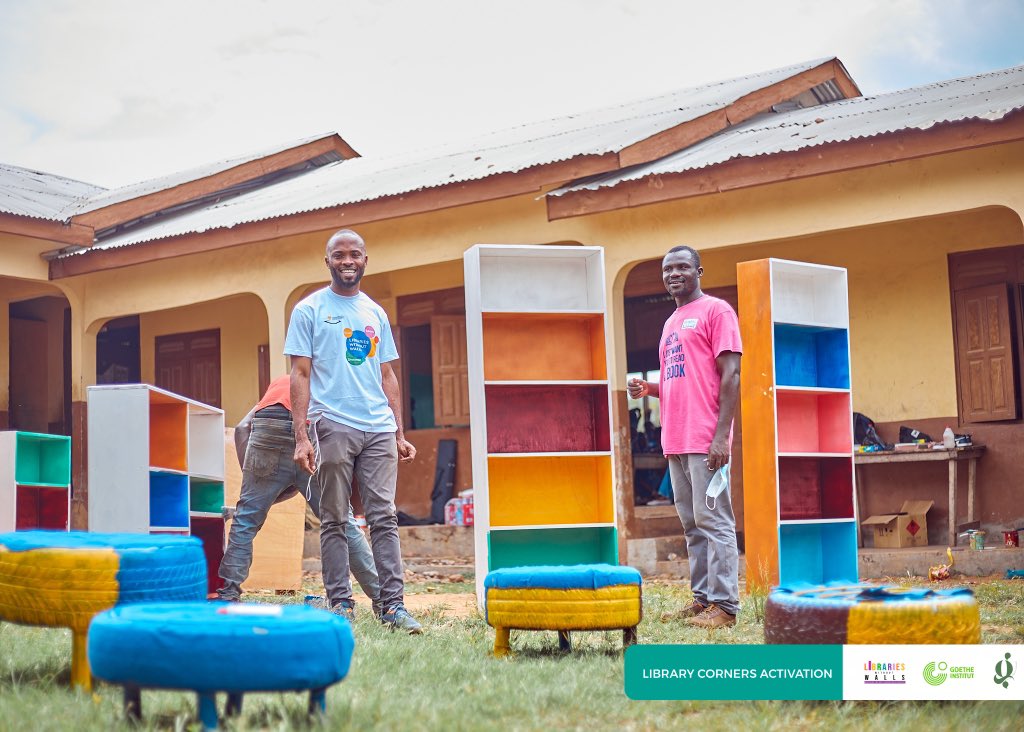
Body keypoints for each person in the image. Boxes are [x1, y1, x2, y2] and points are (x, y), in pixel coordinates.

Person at [286, 228, 422, 634]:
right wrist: (301, 435)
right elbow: (299, 373)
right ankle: (341, 604)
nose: (348, 261)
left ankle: (393, 608)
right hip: (333, 423)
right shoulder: (308, 310)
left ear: (366, 260)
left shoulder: (375, 313)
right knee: (333, 519)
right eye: (340, 255)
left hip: (378, 427)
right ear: (327, 261)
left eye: (355, 255)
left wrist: (399, 432)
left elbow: (387, 373)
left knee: (384, 518)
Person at [627, 245, 742, 629]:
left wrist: (721, 437)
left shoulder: (717, 311)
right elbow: (684, 379)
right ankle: (702, 600)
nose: (673, 274)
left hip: (705, 438)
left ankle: (725, 607)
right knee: (692, 525)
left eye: (681, 267)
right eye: (667, 269)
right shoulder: (671, 321)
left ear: (698, 271)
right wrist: (651, 389)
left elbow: (731, 375)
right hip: (675, 440)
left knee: (715, 522)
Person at [216, 374, 381, 616]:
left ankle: (228, 595)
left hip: (267, 429)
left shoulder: (283, 382)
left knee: (245, 521)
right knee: (341, 522)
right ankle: (383, 599)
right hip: (312, 431)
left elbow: (242, 428)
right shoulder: (331, 382)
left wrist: (252, 479)